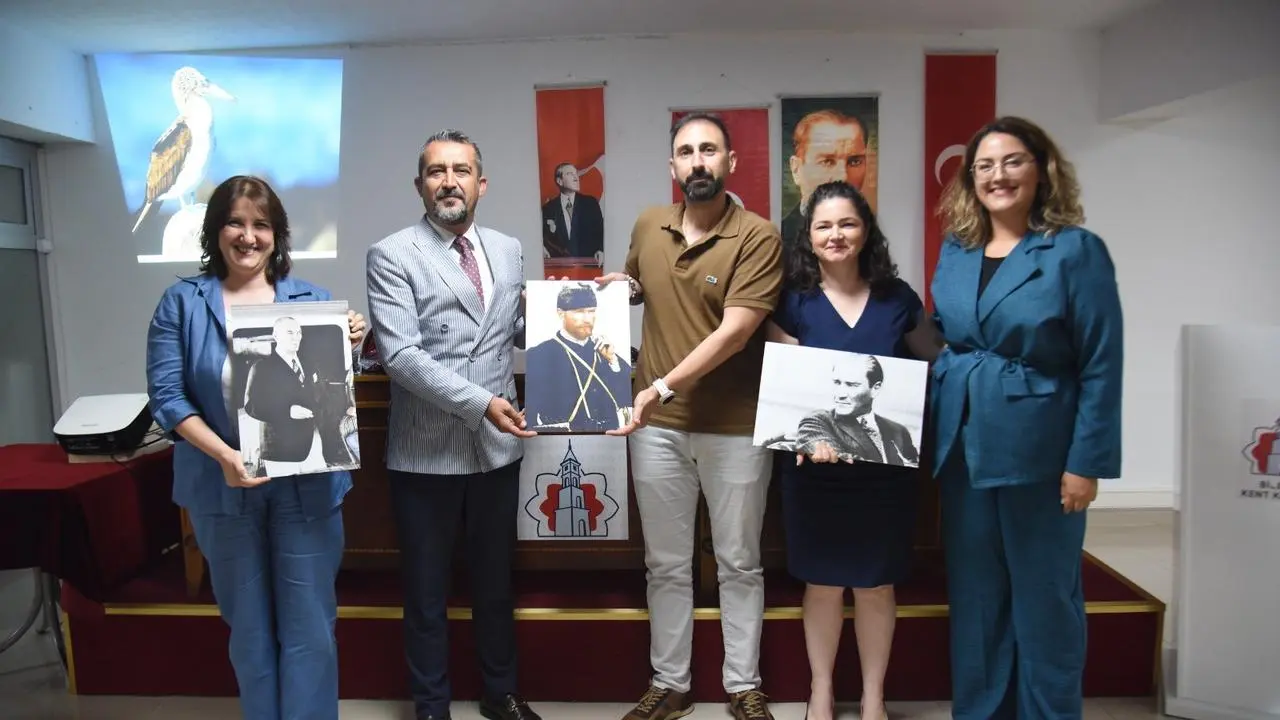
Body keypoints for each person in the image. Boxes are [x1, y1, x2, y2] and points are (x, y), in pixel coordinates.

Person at [145, 174, 366, 720]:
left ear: (277, 234)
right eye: (235, 223)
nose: (248, 236)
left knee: (310, 628)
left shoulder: (313, 301)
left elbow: (332, 392)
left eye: (260, 225)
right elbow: (168, 397)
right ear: (215, 231)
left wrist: (352, 345)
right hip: (222, 487)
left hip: (306, 488)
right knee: (248, 631)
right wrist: (226, 456)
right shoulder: (181, 303)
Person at [929, 116, 1124, 719]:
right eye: (984, 165)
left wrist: (1086, 463)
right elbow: (942, 335)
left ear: (1042, 170)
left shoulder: (1076, 251)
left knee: (1044, 597)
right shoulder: (957, 249)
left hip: (1040, 452)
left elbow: (1101, 363)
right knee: (977, 597)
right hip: (962, 448)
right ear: (970, 179)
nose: (998, 175)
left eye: (1013, 161)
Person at [599, 112, 783, 720]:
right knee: (666, 565)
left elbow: (736, 333)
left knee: (740, 563)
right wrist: (619, 290)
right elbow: (641, 285)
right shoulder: (648, 225)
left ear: (730, 162)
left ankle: (743, 687)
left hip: (735, 426)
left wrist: (659, 387)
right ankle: (670, 684)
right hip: (658, 432)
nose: (697, 161)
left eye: (709, 150)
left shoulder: (757, 236)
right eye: (686, 151)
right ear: (672, 165)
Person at [365, 129, 541, 720]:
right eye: (436, 171)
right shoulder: (392, 254)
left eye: (461, 171)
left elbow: (517, 331)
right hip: (426, 452)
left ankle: (501, 692)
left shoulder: (509, 249)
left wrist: (587, 311)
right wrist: (480, 403)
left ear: (480, 184)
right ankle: (431, 706)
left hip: (496, 449)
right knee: (425, 593)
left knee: (495, 584)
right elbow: (401, 356)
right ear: (419, 185)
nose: (449, 182)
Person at [764, 180, 940, 720]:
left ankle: (873, 696)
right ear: (808, 236)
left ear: (866, 231)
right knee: (820, 584)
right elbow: (785, 387)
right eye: (824, 225)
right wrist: (806, 436)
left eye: (847, 223)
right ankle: (820, 691)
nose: (835, 235)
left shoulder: (898, 299)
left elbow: (934, 365)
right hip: (812, 471)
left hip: (884, 474)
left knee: (876, 586)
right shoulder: (791, 301)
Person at [524, 283, 633, 432]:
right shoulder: (538, 354)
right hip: (561, 440)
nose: (587, 319)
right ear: (561, 313)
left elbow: (626, 398)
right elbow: (531, 417)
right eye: (579, 312)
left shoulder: (605, 352)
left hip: (609, 438)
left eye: (591, 311)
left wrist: (613, 361)